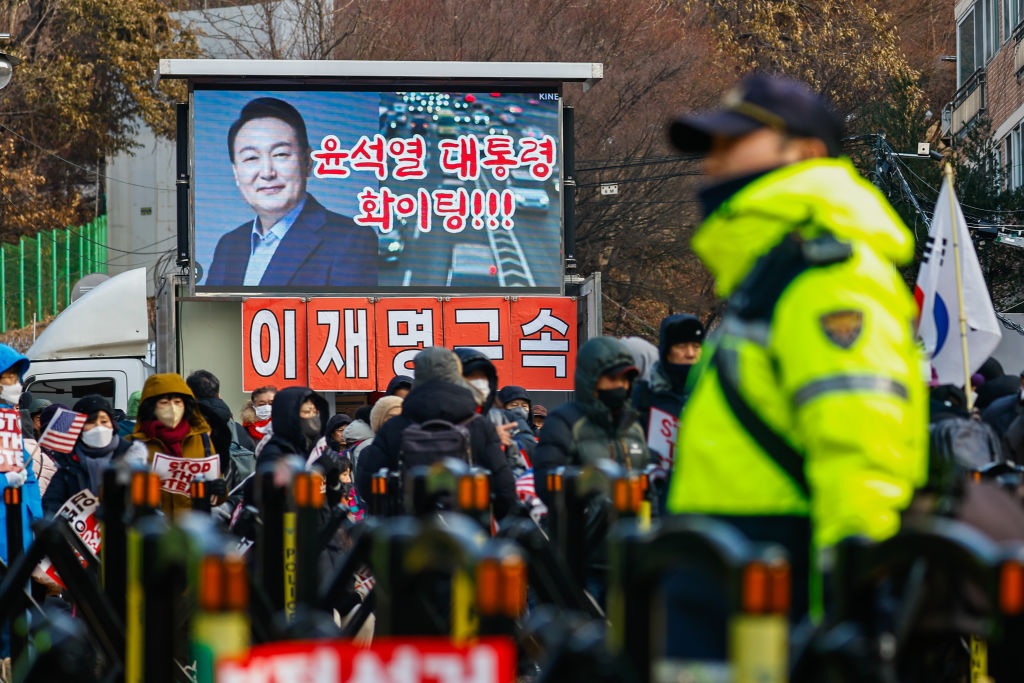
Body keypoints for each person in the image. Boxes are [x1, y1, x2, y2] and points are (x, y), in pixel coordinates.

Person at [664, 73, 927, 627]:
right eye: (713, 144)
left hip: (780, 584)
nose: (715, 159)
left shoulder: (825, 276)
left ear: (805, 151)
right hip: (737, 573)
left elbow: (860, 446)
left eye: (736, 140)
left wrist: (848, 604)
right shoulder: (776, 273)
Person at [205, 97, 377, 288]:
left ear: (307, 163)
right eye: (251, 158)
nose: (267, 173)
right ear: (236, 173)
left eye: (281, 154)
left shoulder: (351, 240)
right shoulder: (229, 245)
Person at [356, 347, 517, 518]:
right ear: (456, 375)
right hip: (466, 533)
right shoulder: (479, 425)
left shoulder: (394, 427)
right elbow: (504, 491)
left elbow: (368, 485)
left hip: (409, 532)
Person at [533, 336, 650, 505]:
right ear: (591, 379)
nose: (620, 386)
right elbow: (547, 485)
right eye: (612, 379)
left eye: (625, 380)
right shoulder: (563, 423)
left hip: (631, 529)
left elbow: (648, 491)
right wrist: (592, 483)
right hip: (579, 529)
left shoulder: (633, 426)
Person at [127, 373, 218, 516]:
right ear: (151, 407)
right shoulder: (134, 444)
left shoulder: (201, 440)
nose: (172, 409)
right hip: (150, 528)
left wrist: (218, 489)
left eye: (177, 402)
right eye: (164, 403)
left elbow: (218, 497)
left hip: (193, 529)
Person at [633, 314, 705, 478]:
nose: (690, 354)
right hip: (655, 491)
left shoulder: (713, 394)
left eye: (696, 346)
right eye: (681, 346)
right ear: (666, 351)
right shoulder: (643, 396)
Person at [43, 396, 131, 518]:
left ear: (113, 424)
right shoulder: (68, 463)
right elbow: (52, 504)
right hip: (80, 534)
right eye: (90, 422)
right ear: (79, 427)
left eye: (104, 421)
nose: (99, 427)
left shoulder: (131, 456)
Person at [0, 344, 43, 565]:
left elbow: (29, 476)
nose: (17, 385)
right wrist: (4, 481)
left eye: (18, 378)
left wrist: (37, 518)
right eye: (9, 378)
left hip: (20, 535)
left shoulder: (11, 424)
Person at [186, 369, 256, 477]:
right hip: (232, 490)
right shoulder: (237, 429)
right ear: (218, 395)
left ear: (189, 395)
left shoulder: (185, 426)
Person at [255, 386, 328, 467]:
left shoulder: (312, 445)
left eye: (315, 412)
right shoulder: (273, 454)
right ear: (290, 414)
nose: (313, 416)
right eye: (307, 412)